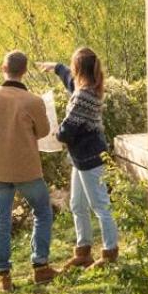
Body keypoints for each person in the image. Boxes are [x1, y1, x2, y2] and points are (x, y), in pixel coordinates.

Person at [0, 50, 54, 292]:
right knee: (43, 212)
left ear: (2, 68)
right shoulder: (34, 101)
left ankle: (4, 276)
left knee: (1, 221)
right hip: (28, 168)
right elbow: (43, 132)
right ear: (24, 71)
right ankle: (40, 266)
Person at [40, 48, 118, 270]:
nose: (70, 69)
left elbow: (67, 131)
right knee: (77, 204)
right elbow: (70, 82)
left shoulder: (84, 96)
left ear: (79, 67)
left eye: (72, 65)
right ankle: (83, 252)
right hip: (80, 158)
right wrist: (56, 67)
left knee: (100, 206)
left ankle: (110, 253)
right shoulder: (86, 87)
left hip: (90, 158)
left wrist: (52, 133)